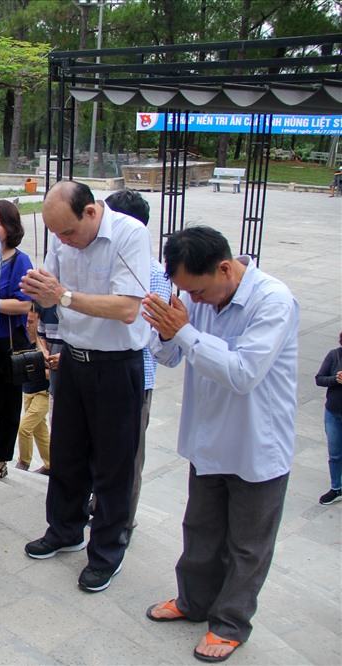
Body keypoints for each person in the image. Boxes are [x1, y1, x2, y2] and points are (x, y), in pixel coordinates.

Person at [141, 225, 299, 663]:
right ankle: (193, 602)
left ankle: (230, 624)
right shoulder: (196, 295)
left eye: (200, 291)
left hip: (256, 445)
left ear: (226, 268)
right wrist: (165, 328)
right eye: (187, 291)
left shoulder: (273, 301)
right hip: (208, 438)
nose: (195, 299)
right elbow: (168, 356)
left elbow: (243, 373)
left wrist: (186, 333)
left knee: (247, 545)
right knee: (200, 531)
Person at [20, 180, 150, 593]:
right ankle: (64, 530)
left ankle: (107, 554)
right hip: (73, 361)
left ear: (91, 211)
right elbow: (52, 290)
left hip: (116, 366)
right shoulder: (63, 235)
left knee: (113, 466)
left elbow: (128, 308)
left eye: (69, 233)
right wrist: (39, 294)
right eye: (55, 234)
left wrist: (64, 296)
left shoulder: (130, 234)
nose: (62, 241)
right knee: (67, 454)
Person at [104, 189, 172, 546]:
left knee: (128, 456)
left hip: (134, 376)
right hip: (96, 372)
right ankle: (100, 507)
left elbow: (152, 333)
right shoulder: (101, 261)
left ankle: (122, 522)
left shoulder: (154, 273)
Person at [0, 199, 33, 478]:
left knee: (8, 405)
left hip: (8, 343)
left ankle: (0, 461)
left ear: (9, 227)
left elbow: (24, 305)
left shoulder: (18, 260)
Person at [17, 304, 51, 474]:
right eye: (26, 321)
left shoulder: (43, 343)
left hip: (43, 393)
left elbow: (53, 372)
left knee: (24, 427)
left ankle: (23, 462)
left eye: (31, 321)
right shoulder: (21, 338)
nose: (27, 325)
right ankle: (51, 464)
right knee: (40, 429)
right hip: (27, 390)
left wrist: (33, 369)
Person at [315, 331, 342, 505]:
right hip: (333, 413)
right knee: (335, 454)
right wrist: (335, 379)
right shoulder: (334, 356)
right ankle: (336, 487)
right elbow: (319, 379)